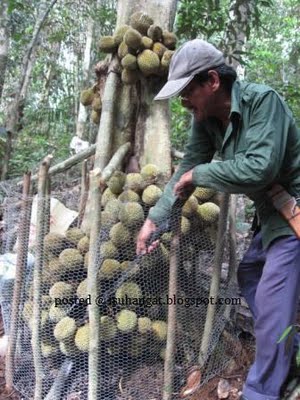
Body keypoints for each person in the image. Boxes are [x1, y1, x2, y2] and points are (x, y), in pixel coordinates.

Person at [136, 39, 300, 400]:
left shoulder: (263, 102)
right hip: (272, 217)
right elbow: (185, 170)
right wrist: (156, 220)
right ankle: (288, 344)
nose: (183, 103)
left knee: (272, 303)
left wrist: (199, 176)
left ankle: (261, 390)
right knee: (250, 274)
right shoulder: (206, 121)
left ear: (212, 81)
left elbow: (259, 169)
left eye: (187, 92)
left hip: (294, 213)